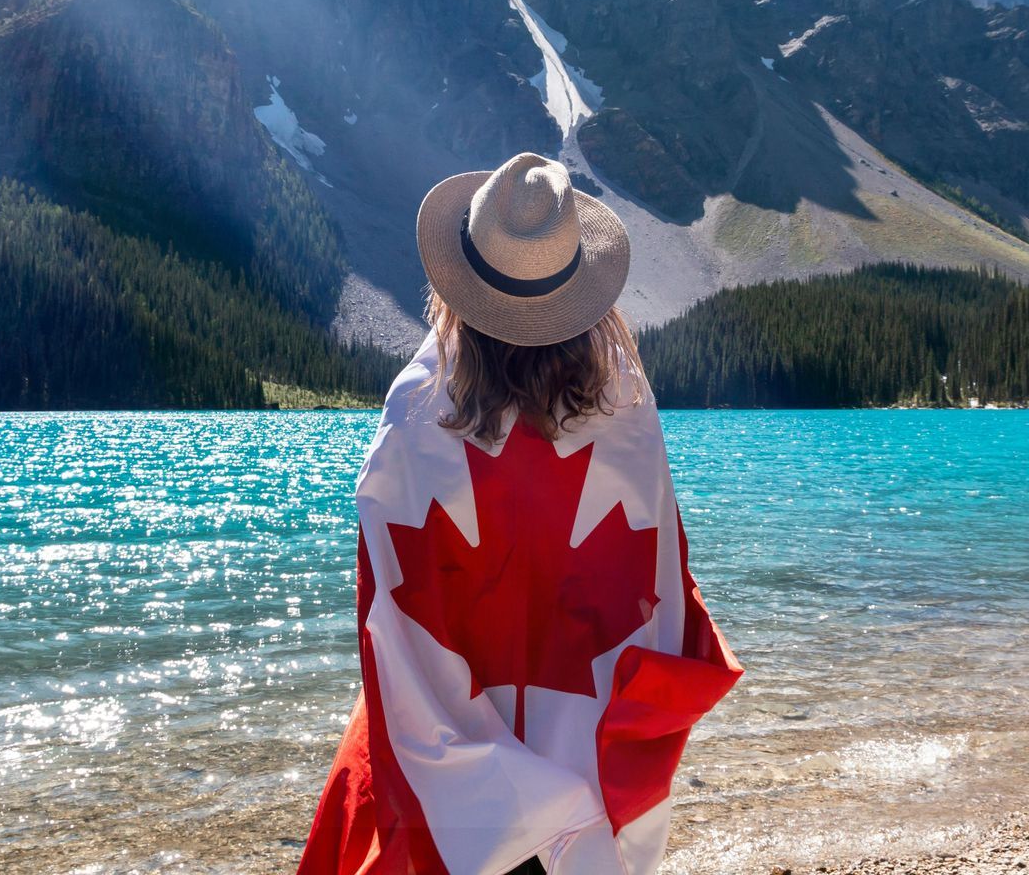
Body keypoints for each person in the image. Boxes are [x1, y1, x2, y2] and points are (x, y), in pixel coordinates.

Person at [299, 153, 741, 875]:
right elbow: (663, 574)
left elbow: (387, 605)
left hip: (456, 753)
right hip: (589, 743)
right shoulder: (624, 404)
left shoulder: (417, 412)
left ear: (459, 287)